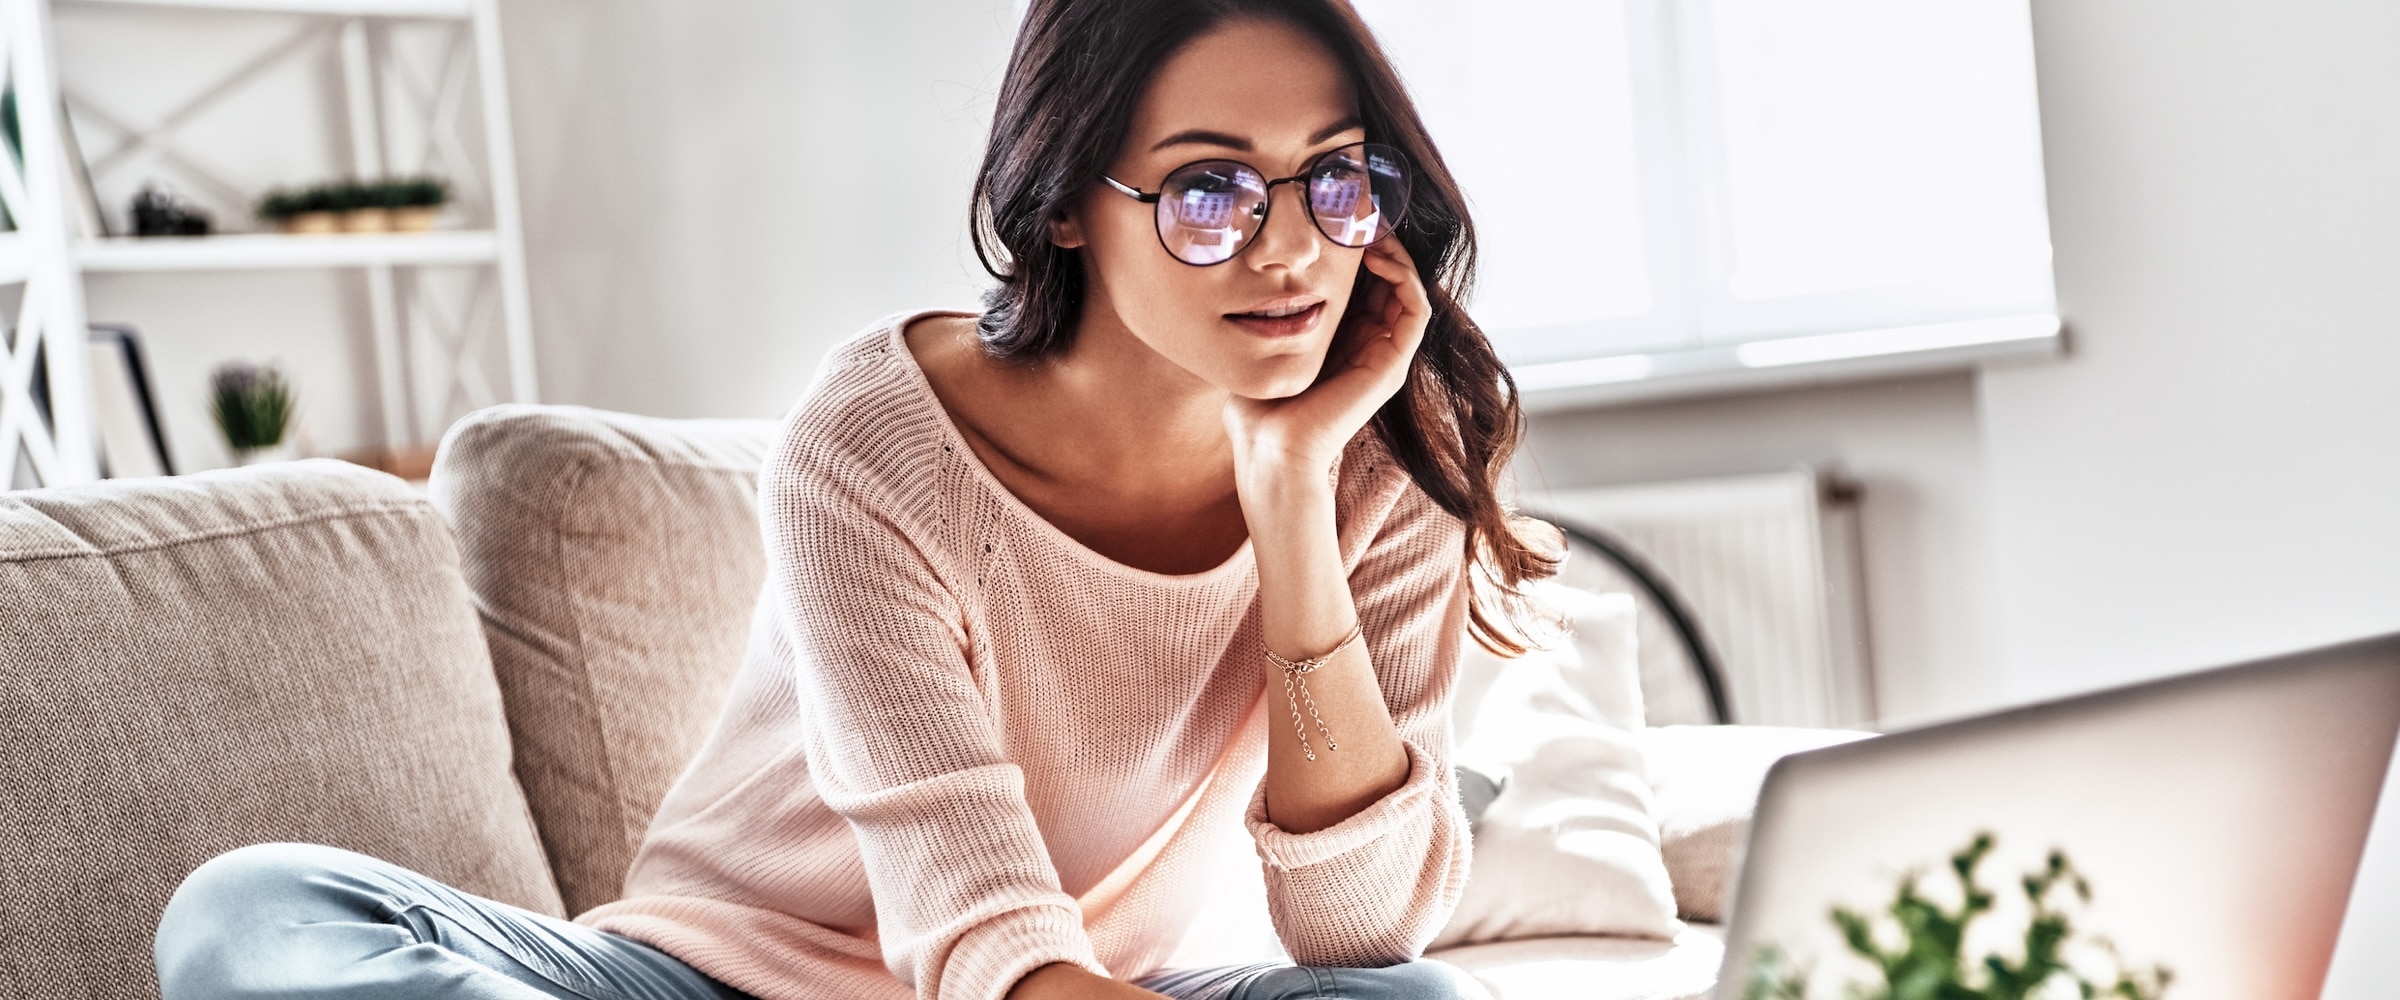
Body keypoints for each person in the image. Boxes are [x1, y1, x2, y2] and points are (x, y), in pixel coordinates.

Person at [151, 1, 1559, 998]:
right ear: (1066, 201)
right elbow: (977, 929)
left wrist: (1294, 496)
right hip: (714, 984)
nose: (1293, 248)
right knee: (252, 913)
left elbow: (1360, 928)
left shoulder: (1377, 451)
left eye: (1333, 181)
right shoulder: (880, 441)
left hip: (1067, 991)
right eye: (1209, 193)